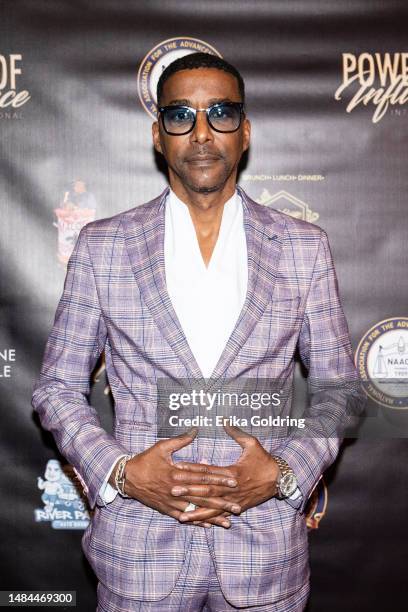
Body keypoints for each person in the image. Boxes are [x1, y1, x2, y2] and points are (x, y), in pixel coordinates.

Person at [32, 53, 361, 611]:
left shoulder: (303, 247)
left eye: (222, 113)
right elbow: (57, 389)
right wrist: (122, 474)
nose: (203, 133)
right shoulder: (103, 246)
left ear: (245, 132)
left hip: (264, 551)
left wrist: (284, 476)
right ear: (159, 135)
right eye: (181, 115)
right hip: (140, 552)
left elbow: (343, 390)